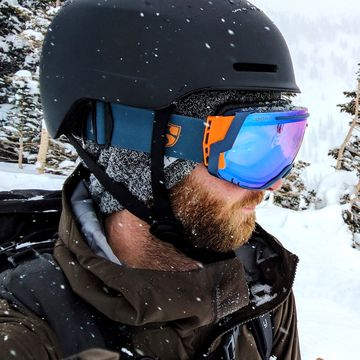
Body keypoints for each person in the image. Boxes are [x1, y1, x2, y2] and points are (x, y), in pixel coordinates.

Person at [0, 0, 307, 359]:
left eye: (283, 143)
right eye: (247, 150)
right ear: (137, 157)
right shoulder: (27, 328)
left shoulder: (261, 287)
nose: (273, 184)